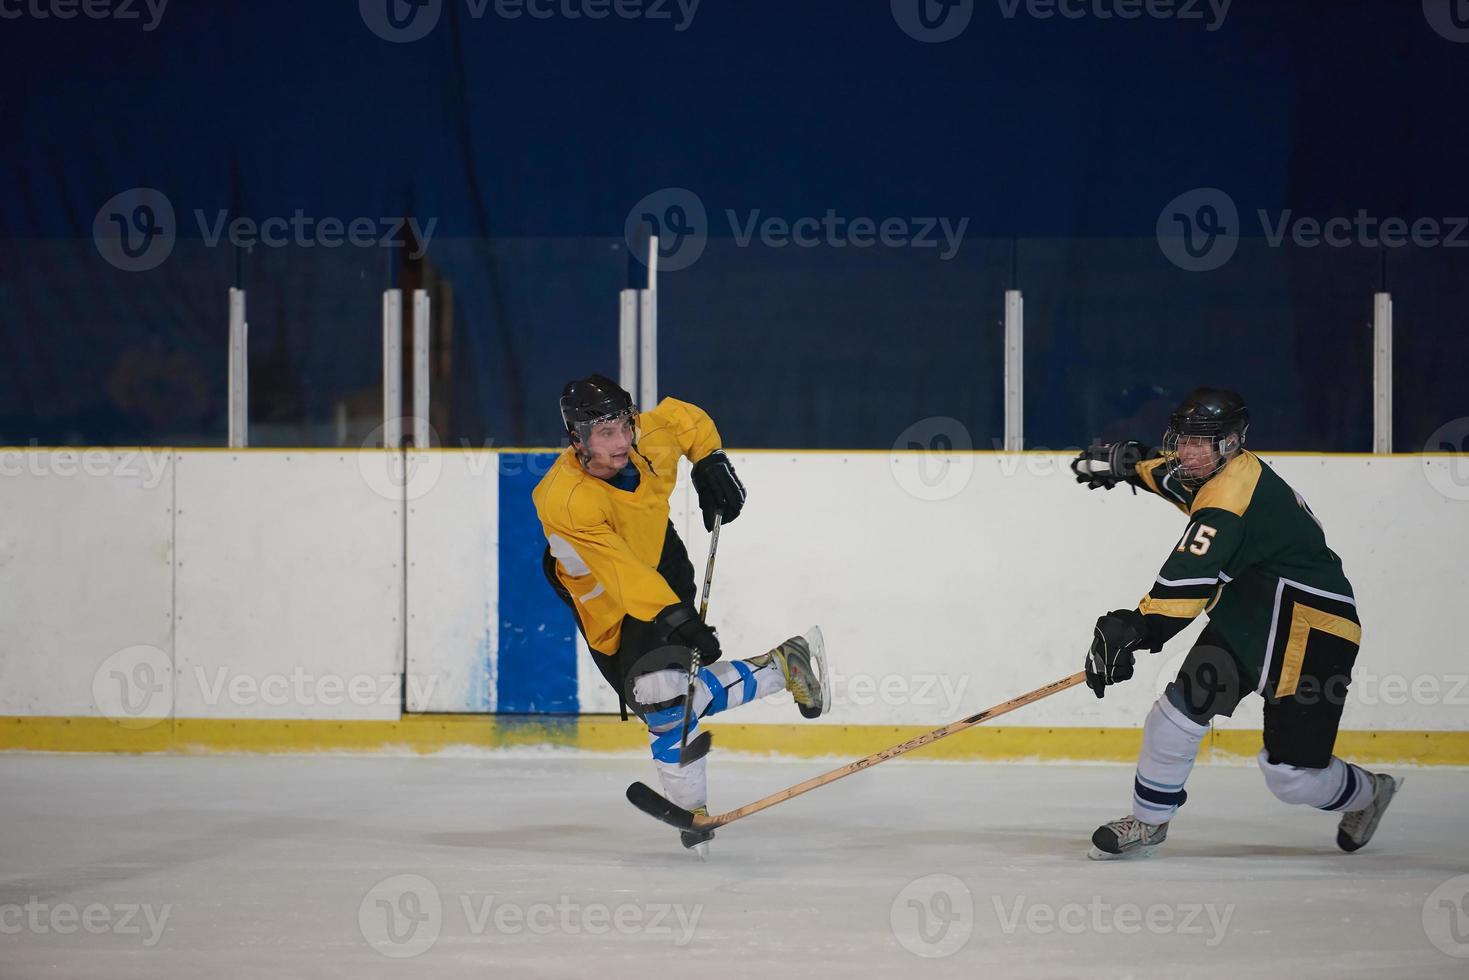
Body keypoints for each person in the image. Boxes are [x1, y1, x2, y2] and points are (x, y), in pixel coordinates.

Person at [1070, 387, 1401, 859]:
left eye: (1202, 442)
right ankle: (1148, 822)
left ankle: (1371, 792)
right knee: (1174, 716)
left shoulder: (1228, 503)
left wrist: (1134, 630)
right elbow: (1172, 476)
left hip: (1314, 630)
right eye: (1183, 439)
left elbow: (1183, 591)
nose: (1188, 451)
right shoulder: (1212, 469)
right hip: (1247, 619)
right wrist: (1134, 466)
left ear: (1231, 442)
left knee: (1291, 776)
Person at [532, 374, 829, 852]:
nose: (623, 441)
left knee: (660, 692)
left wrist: (710, 462)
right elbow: (622, 573)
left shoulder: (649, 437)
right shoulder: (563, 499)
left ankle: (695, 813)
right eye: (605, 433)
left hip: (660, 560)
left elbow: (688, 421)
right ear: (577, 438)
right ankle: (781, 667)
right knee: (660, 699)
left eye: (624, 426)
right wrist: (676, 618)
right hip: (602, 590)